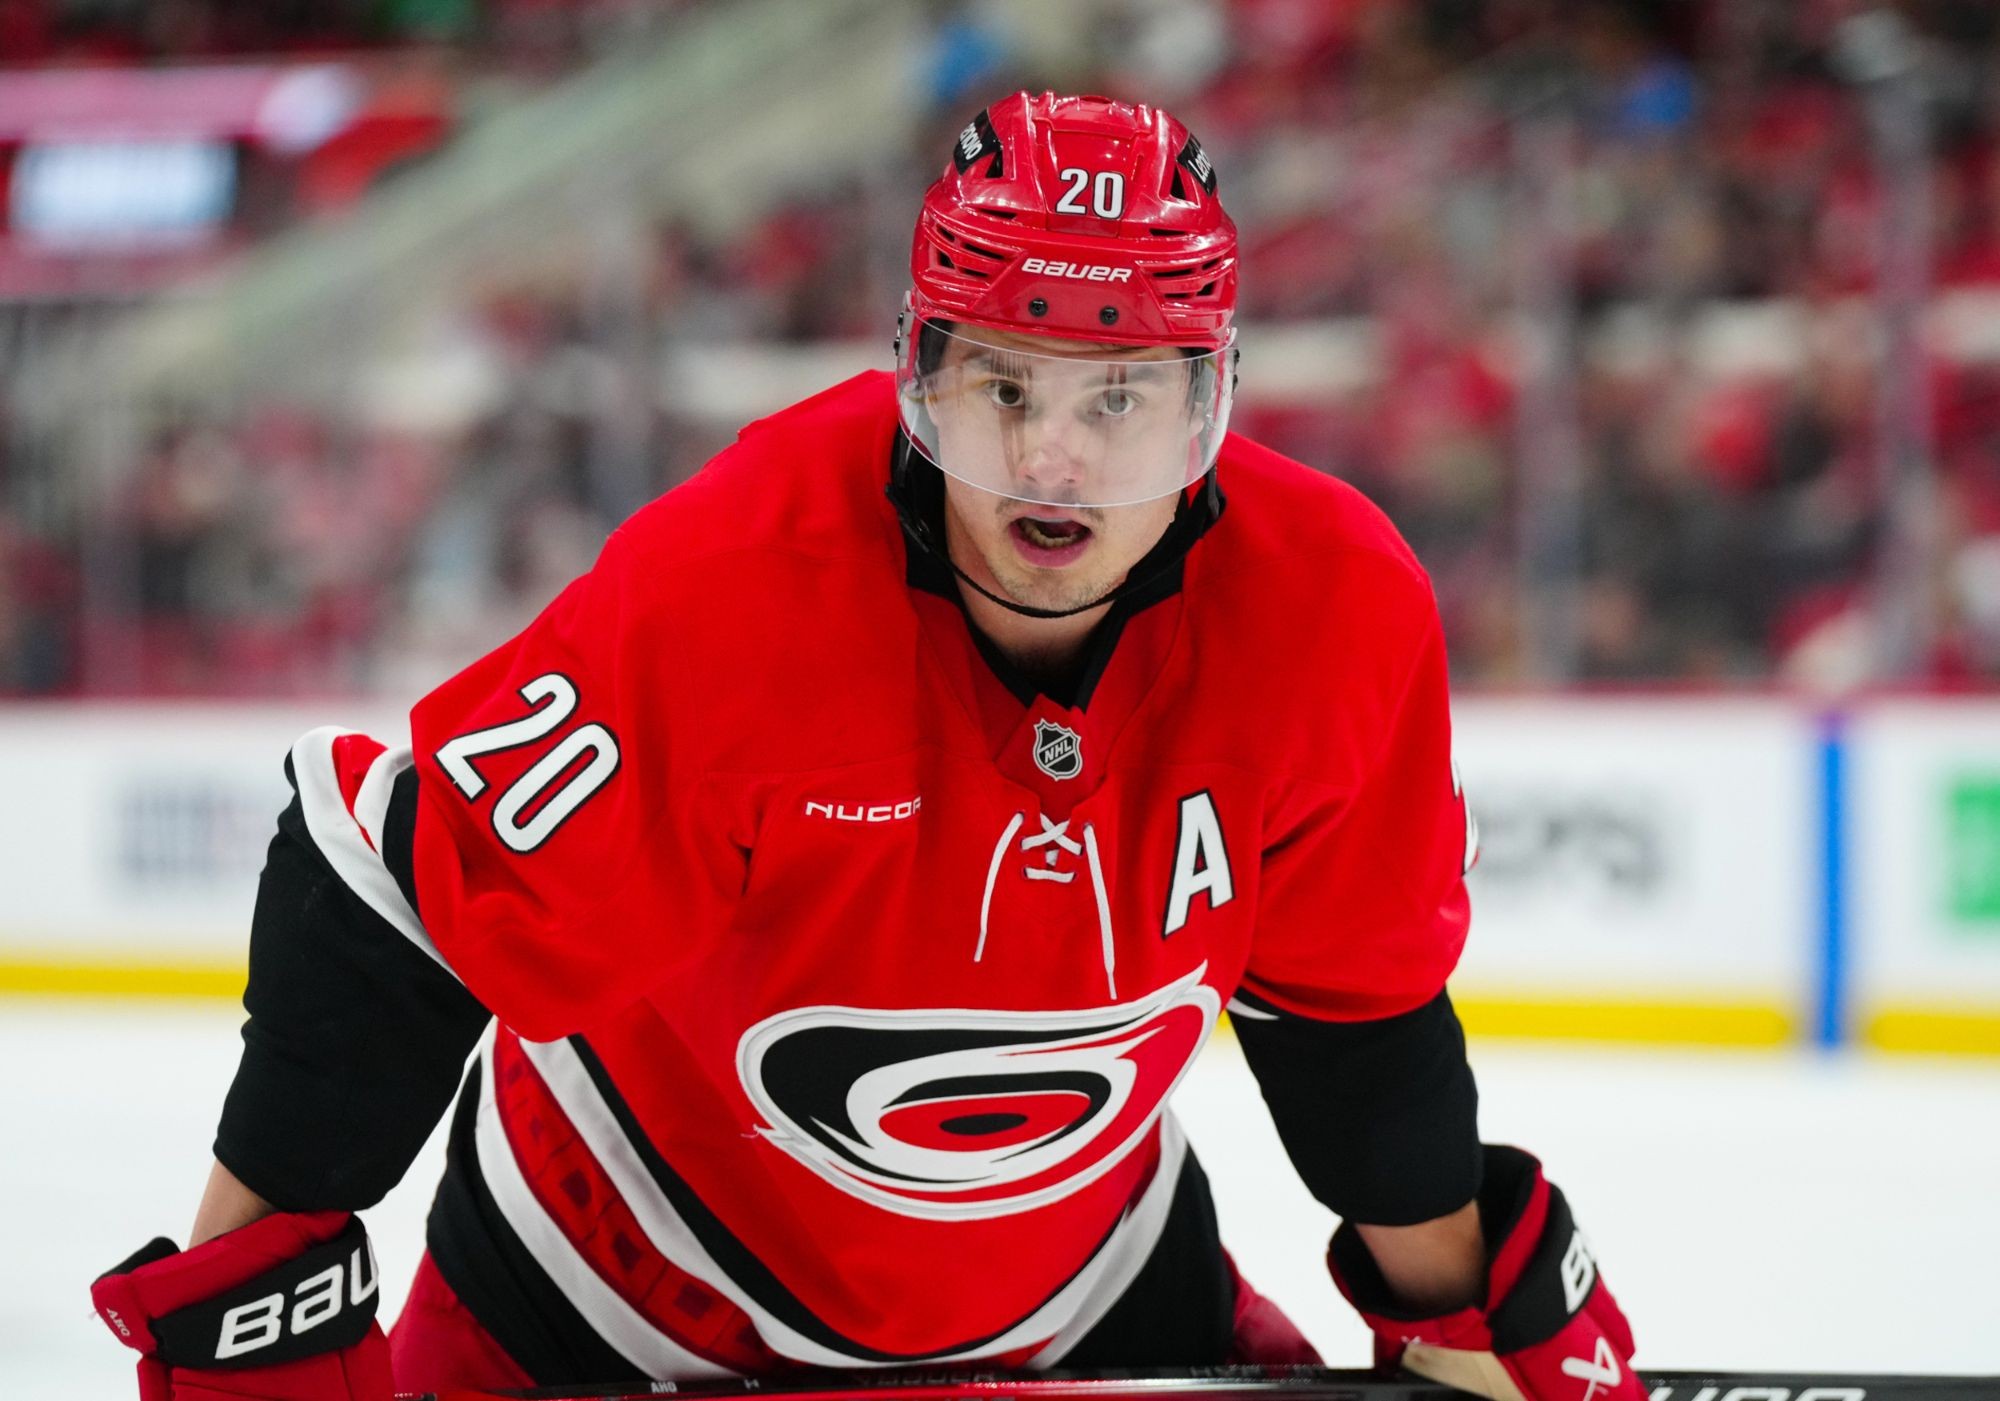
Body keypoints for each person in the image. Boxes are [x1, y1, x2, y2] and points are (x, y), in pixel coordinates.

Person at [93, 92, 1643, 1401]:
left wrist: (1459, 1323)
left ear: (1209, 404)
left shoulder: (1335, 611)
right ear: (918, 375)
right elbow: (391, 898)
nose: (1053, 460)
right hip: (610, 1304)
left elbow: (1354, 1017)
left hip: (1084, 1304)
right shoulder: (738, 581)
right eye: (1002, 386)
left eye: (1121, 398)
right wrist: (253, 1311)